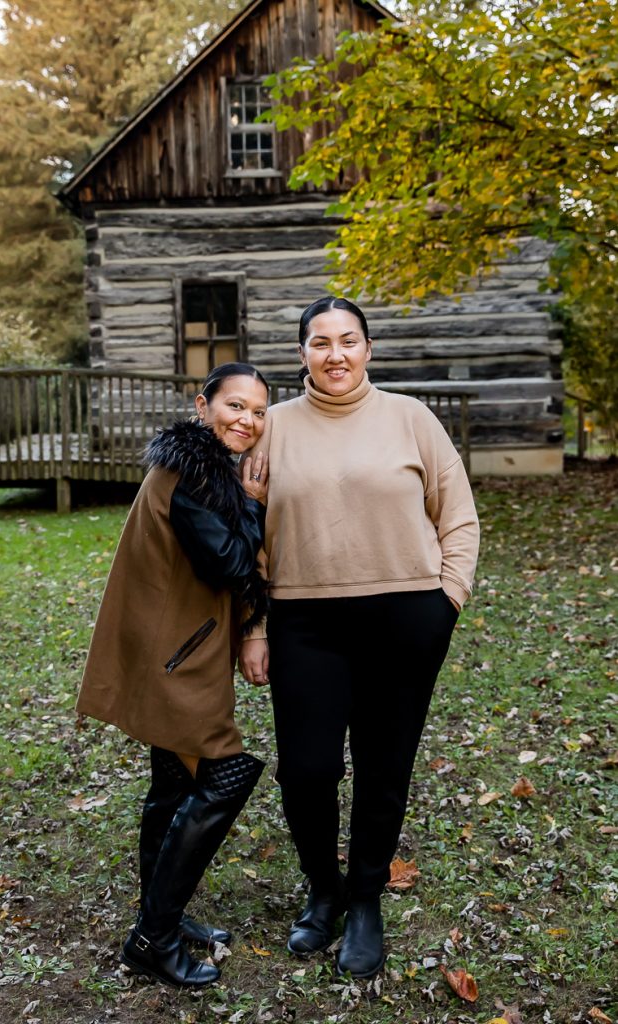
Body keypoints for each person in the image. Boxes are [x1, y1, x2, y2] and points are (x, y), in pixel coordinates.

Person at [240, 298, 480, 979]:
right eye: (320, 343)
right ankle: (323, 889)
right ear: (302, 354)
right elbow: (245, 539)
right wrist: (252, 627)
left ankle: (366, 899)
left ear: (368, 349)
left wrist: (446, 602)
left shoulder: (409, 418)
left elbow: (457, 516)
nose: (335, 354)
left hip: (405, 618)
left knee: (383, 766)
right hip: (304, 623)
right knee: (308, 770)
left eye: (348, 341)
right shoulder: (272, 429)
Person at [77, 363, 271, 988]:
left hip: (177, 648)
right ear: (202, 405)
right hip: (178, 657)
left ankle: (161, 914)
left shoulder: (194, 467)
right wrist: (255, 503)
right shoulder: (197, 474)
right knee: (226, 773)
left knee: (171, 783)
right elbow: (230, 561)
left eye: (259, 411)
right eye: (234, 406)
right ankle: (152, 937)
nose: (246, 420)